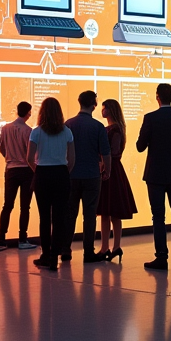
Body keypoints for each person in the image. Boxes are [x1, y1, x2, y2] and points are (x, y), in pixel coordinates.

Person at [137, 83, 171, 271]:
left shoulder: (150, 118)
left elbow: (140, 146)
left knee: (158, 216)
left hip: (155, 174)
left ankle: (161, 257)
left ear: (157, 97)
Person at [27, 98, 75, 271]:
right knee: (59, 218)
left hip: (42, 174)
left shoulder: (36, 132)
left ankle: (45, 255)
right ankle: (55, 256)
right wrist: (63, 172)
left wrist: (38, 171)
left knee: (44, 217)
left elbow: (29, 158)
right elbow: (72, 160)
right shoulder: (67, 132)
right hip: (61, 174)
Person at [65, 91, 111, 263]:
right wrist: (107, 170)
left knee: (70, 214)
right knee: (89, 215)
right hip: (92, 175)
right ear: (94, 105)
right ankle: (88, 252)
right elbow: (105, 153)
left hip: (71, 175)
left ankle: (66, 249)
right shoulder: (98, 127)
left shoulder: (68, 124)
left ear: (79, 103)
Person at [97, 98, 137, 262]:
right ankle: (111, 246)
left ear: (110, 110)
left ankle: (110, 246)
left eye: (104, 108)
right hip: (112, 169)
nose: (102, 110)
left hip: (110, 170)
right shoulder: (113, 129)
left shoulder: (114, 130)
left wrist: (103, 165)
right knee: (109, 212)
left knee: (110, 211)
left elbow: (113, 152)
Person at [0, 102, 35, 251]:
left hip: (10, 169)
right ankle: (22, 239)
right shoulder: (28, 131)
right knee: (25, 206)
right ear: (28, 113)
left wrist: (9, 157)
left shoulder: (5, 129)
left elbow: (1, 148)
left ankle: (0, 239)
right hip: (26, 170)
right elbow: (30, 153)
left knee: (7, 205)